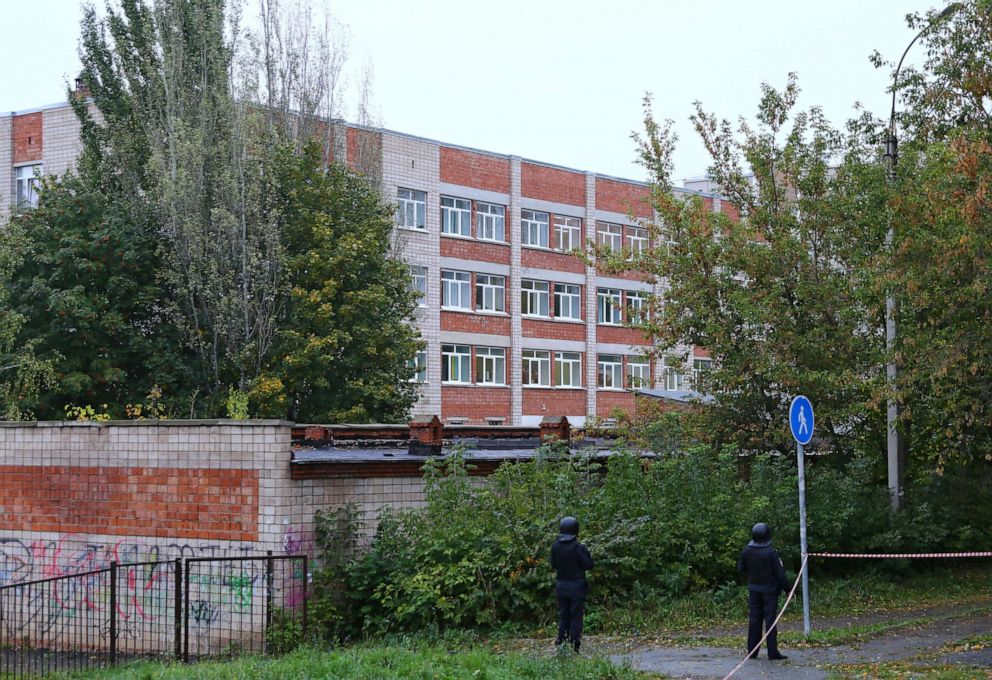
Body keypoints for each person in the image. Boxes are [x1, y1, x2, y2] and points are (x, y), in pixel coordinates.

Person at [737, 522, 790, 661]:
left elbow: (740, 569)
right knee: (770, 621)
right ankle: (772, 653)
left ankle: (752, 652)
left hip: (754, 590)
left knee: (754, 620)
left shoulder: (747, 551)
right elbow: (780, 574)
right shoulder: (771, 552)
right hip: (770, 592)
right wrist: (788, 589)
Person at [550, 516, 594, 653]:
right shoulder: (578, 547)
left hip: (562, 587)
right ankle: (575, 644)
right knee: (576, 617)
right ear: (576, 530)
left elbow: (553, 564)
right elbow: (589, 565)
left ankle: (561, 643)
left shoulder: (555, 546)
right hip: (577, 588)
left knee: (564, 615)